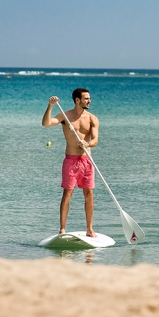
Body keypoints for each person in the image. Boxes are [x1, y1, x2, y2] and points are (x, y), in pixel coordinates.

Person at [42, 88, 100, 237]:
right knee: (67, 194)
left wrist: (88, 144)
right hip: (71, 160)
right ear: (77, 100)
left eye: (89, 98)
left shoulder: (92, 118)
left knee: (89, 194)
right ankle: (62, 229)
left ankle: (89, 229)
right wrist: (51, 106)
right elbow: (46, 123)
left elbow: (95, 140)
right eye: (86, 98)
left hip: (87, 161)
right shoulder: (66, 116)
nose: (89, 101)